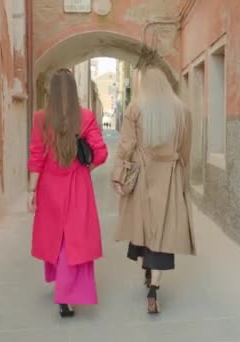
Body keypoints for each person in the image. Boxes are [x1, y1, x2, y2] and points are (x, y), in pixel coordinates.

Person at [111, 67, 195, 314]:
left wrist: (118, 175)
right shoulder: (182, 111)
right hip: (169, 175)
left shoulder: (135, 108)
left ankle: (148, 273)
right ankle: (154, 289)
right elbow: (186, 149)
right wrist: (181, 175)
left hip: (143, 175)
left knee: (145, 226)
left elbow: (126, 145)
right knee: (163, 232)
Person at [27, 68, 108, 318]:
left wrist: (32, 190)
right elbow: (101, 152)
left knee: (57, 237)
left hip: (50, 186)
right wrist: (86, 169)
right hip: (77, 186)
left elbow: (36, 156)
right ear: (74, 92)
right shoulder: (84, 116)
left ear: (51, 92)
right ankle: (67, 293)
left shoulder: (41, 117)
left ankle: (61, 287)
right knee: (74, 238)